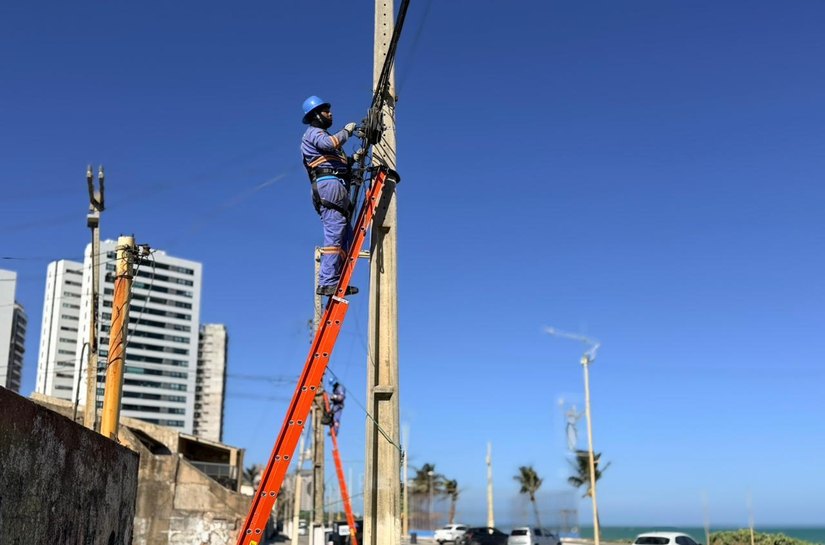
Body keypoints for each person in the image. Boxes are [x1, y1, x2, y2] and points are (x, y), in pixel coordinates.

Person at [300, 95, 363, 297]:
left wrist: (354, 159)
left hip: (336, 185)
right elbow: (330, 144)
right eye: (327, 111)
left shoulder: (320, 135)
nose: (331, 114)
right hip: (329, 185)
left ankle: (338, 279)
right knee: (335, 233)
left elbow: (335, 160)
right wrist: (347, 131)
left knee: (346, 237)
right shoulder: (313, 133)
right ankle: (328, 281)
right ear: (316, 115)